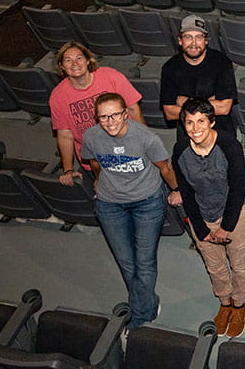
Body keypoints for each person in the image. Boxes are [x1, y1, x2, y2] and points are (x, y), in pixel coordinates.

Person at [82, 92, 177, 330]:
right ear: (97, 119)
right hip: (109, 204)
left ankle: (139, 316)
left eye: (115, 115)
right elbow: (93, 161)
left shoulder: (146, 138)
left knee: (144, 262)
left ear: (126, 114)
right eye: (104, 117)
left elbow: (164, 168)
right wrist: (98, 179)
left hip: (147, 202)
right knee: (126, 262)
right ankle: (147, 302)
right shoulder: (91, 137)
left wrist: (176, 189)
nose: (110, 121)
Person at [168, 98, 245, 338]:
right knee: (214, 266)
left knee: (239, 264)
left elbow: (237, 188)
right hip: (203, 216)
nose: (195, 128)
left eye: (201, 121)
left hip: (233, 214)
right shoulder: (181, 150)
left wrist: (226, 227)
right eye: (189, 123)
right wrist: (201, 229)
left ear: (212, 122)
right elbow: (186, 191)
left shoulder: (229, 146)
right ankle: (224, 302)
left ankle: (238, 304)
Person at [48, 42, 145, 185]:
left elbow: (133, 109)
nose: (75, 63)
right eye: (68, 60)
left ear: (88, 60)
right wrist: (68, 169)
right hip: (95, 161)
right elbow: (64, 135)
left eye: (79, 58)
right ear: (62, 66)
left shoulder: (110, 76)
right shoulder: (57, 96)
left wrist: (144, 143)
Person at [160, 15, 238, 143]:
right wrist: (210, 102)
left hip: (220, 133)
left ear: (206, 40)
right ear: (180, 40)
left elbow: (224, 108)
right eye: (188, 37)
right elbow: (169, 113)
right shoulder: (170, 68)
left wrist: (186, 102)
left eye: (199, 37)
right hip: (187, 136)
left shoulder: (221, 63)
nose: (194, 43)